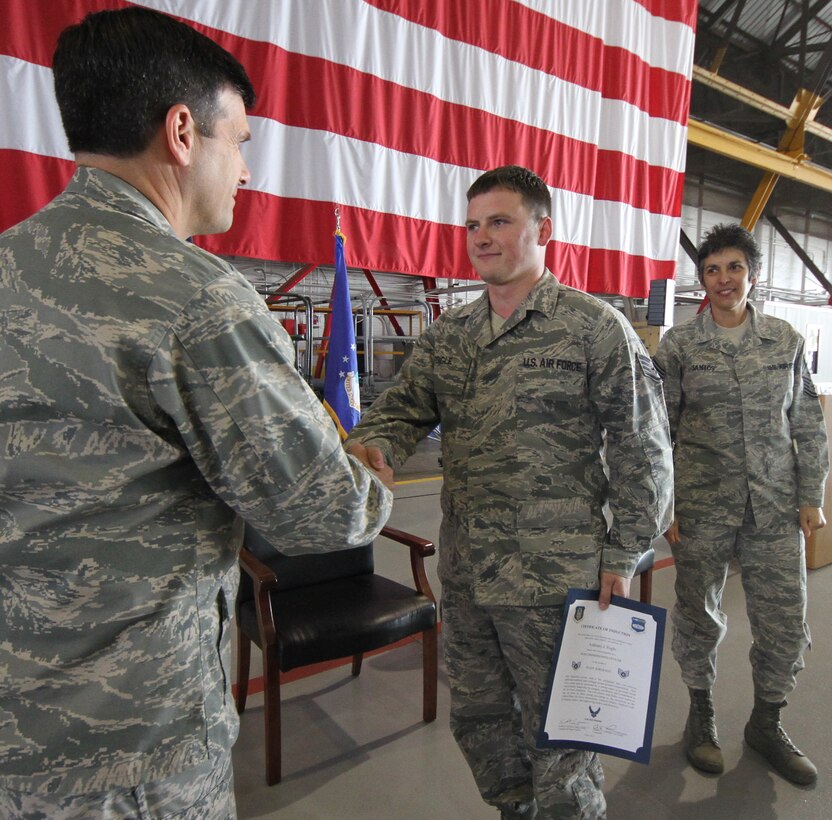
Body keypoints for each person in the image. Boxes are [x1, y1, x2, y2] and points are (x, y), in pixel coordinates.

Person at [0, 8, 392, 818]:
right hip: (132, 753)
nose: (246, 169)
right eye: (240, 141)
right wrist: (369, 475)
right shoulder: (197, 301)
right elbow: (325, 512)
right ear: (182, 131)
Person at [346, 165, 673, 819]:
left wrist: (622, 555)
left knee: (563, 744)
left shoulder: (593, 330)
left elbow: (647, 452)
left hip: (558, 583)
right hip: (468, 577)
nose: (481, 237)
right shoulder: (452, 336)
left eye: (499, 221)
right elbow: (401, 411)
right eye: (472, 225)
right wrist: (373, 448)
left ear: (543, 229)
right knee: (481, 724)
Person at [654, 223, 829, 785]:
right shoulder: (679, 346)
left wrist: (812, 496)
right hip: (702, 507)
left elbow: (806, 421)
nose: (724, 279)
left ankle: (767, 722)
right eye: (712, 270)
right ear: (702, 279)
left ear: (753, 274)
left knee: (783, 620)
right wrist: (668, 505)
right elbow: (661, 430)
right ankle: (701, 715)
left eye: (734, 268)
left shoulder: (785, 339)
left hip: (775, 508)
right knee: (699, 614)